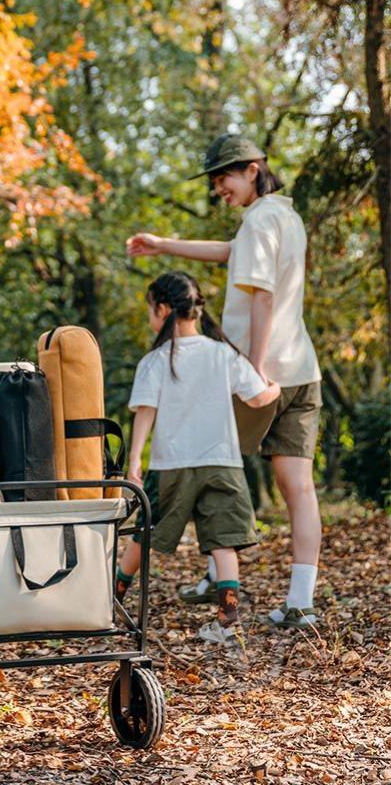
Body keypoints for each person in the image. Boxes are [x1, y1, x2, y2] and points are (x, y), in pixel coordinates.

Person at [127, 134, 322, 629]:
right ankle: (300, 600)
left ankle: (219, 575)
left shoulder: (259, 219)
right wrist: (164, 244)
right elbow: (230, 252)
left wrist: (254, 366)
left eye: (223, 179)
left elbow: (261, 297)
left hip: (260, 376)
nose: (219, 189)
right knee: (298, 488)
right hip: (302, 370)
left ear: (252, 169)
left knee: (210, 464)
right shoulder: (284, 215)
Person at [116, 272, 280, 643]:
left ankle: (113, 598)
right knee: (223, 540)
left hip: (171, 464)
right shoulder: (224, 354)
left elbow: (145, 412)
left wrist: (135, 462)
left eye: (150, 309)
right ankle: (227, 621)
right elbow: (257, 398)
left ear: (161, 309)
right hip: (222, 463)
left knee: (145, 533)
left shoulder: (156, 360)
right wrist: (276, 388)